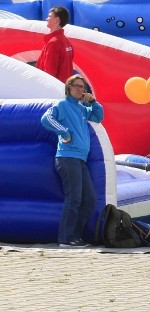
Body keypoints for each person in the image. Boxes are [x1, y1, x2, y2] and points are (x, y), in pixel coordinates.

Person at [41, 74, 104, 247]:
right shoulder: (62, 104)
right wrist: (65, 133)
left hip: (80, 159)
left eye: (82, 87)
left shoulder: (81, 107)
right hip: (67, 158)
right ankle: (66, 238)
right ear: (68, 87)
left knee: (90, 199)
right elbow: (46, 118)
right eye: (76, 86)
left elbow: (98, 116)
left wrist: (93, 102)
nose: (80, 89)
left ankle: (75, 236)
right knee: (74, 198)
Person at [37, 6, 74, 83]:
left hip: (53, 90)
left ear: (56, 20)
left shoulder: (53, 43)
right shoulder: (67, 42)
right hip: (64, 87)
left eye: (49, 16)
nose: (47, 19)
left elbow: (49, 72)